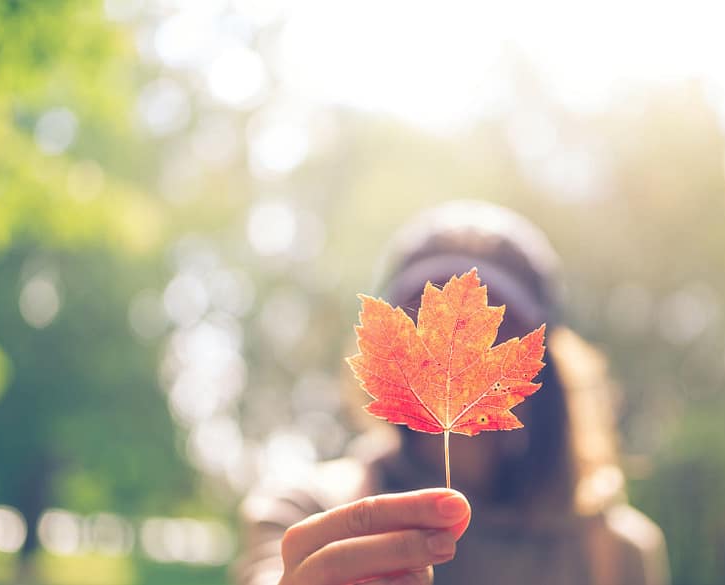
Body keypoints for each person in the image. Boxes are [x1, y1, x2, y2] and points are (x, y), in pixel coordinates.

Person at [233, 201, 669, 585]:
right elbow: (269, 573)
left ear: (546, 358)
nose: (452, 354)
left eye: (500, 315)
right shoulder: (311, 509)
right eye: (420, 307)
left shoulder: (615, 551)